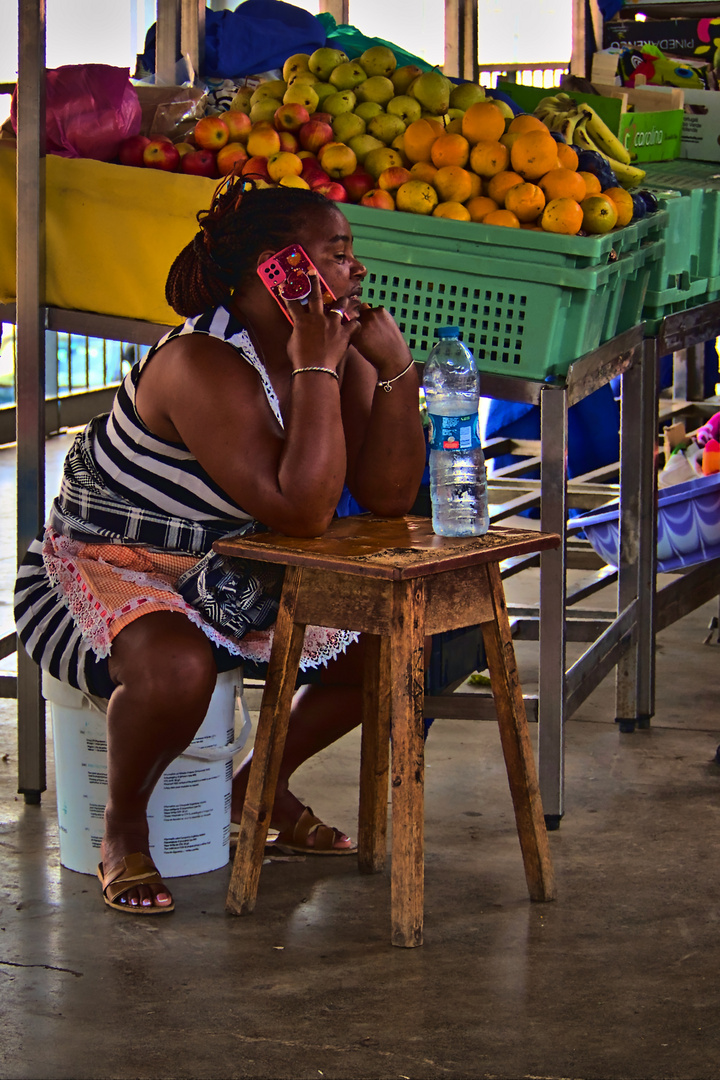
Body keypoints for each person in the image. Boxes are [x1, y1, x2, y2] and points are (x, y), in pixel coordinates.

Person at [14, 180, 426, 915]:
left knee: (385, 647)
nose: (356, 272)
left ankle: (256, 786)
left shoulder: (326, 348)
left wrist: (394, 371)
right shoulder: (199, 361)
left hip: (228, 573)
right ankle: (124, 827)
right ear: (280, 269)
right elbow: (304, 509)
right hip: (104, 571)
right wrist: (320, 367)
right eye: (337, 255)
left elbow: (388, 496)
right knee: (177, 668)